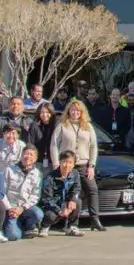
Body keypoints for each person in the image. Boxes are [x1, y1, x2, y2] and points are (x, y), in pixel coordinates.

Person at [50, 99, 104, 232]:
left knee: (92, 189)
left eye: (78, 110)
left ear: (82, 112)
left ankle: (95, 219)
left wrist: (91, 165)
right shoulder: (62, 125)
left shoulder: (88, 126)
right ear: (69, 111)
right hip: (66, 165)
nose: (75, 112)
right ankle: (69, 222)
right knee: (70, 193)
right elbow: (54, 144)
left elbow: (93, 146)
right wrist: (56, 163)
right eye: (73, 110)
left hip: (83, 164)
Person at [2, 146, 44, 240]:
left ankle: (26, 226)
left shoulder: (37, 174)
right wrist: (9, 208)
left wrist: (22, 207)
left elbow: (35, 196)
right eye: (26, 154)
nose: (28, 156)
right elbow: (2, 192)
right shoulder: (9, 170)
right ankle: (11, 225)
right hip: (10, 209)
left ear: (36, 158)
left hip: (24, 208)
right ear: (21, 156)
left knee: (38, 214)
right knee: (13, 236)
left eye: (31, 155)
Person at [39, 150, 84, 237]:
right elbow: (46, 198)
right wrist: (59, 211)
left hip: (66, 203)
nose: (67, 165)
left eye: (70, 162)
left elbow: (77, 188)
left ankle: (72, 227)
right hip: (53, 205)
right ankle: (45, 226)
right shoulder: (50, 177)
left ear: (74, 164)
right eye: (65, 162)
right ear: (60, 162)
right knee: (50, 216)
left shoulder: (75, 173)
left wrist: (73, 200)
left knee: (78, 201)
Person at [26, 103, 57, 170]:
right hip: (37, 160)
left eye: (47, 112)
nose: (45, 115)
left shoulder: (56, 126)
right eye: (42, 112)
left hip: (53, 161)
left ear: (52, 113)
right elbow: (30, 143)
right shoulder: (34, 126)